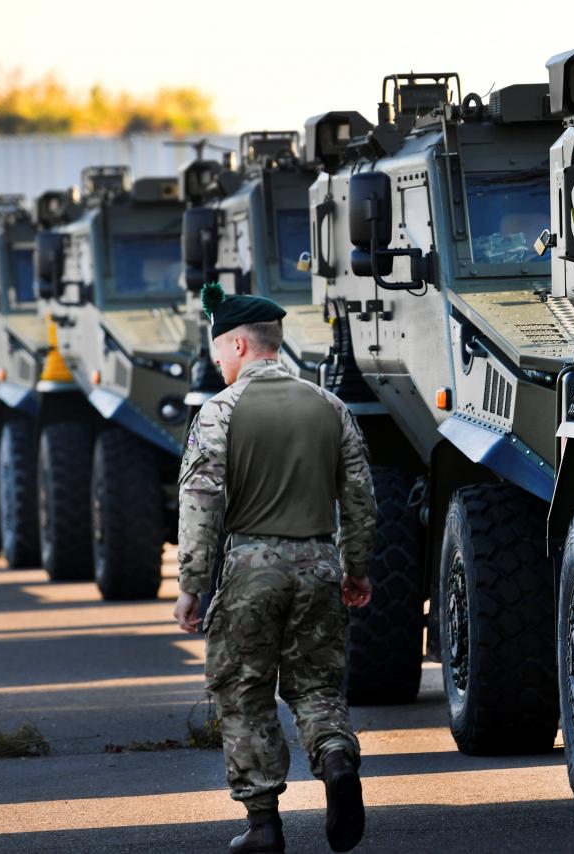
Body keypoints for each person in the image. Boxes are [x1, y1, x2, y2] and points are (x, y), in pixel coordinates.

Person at [173, 282, 376, 853]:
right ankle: (336, 759)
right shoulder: (329, 405)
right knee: (316, 686)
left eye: (218, 352)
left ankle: (264, 825)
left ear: (238, 345)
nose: (216, 364)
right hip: (319, 564)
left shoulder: (219, 412)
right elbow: (360, 497)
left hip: (250, 569)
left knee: (244, 690)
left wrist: (191, 584)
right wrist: (355, 568)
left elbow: (200, 504)